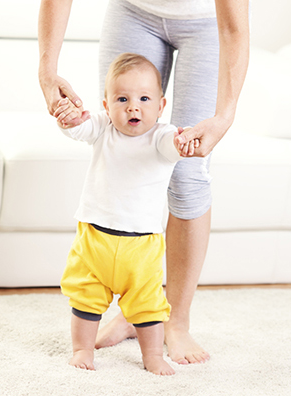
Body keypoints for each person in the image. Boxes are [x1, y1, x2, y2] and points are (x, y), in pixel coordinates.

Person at [39, 0, 249, 365]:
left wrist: (225, 116)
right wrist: (47, 70)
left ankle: (176, 321)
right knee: (119, 134)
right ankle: (133, 315)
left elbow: (233, 26)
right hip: (133, 10)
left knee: (188, 172)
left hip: (206, 23)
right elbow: (91, 127)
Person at [56, 52, 200, 375]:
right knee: (85, 299)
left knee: (148, 306)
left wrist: (184, 142)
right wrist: (71, 119)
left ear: (161, 106)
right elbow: (79, 129)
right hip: (95, 240)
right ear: (107, 105)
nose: (133, 107)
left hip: (141, 247)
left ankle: (153, 356)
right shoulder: (102, 127)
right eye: (122, 99)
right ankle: (82, 350)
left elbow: (172, 147)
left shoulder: (161, 136)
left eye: (144, 99)